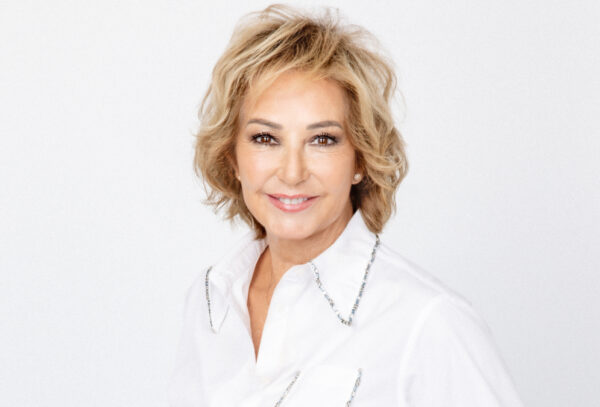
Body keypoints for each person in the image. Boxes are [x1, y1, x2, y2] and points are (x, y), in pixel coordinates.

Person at [168, 4, 523, 406]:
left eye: (323, 140)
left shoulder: (429, 322)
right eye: (266, 138)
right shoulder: (210, 300)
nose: (292, 172)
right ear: (232, 157)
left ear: (360, 160)